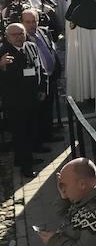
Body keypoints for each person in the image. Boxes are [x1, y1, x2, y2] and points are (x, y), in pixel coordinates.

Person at [0, 22, 47, 175]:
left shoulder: (31, 46)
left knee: (30, 130)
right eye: (14, 34)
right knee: (21, 134)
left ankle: (23, 159)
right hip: (15, 102)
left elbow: (40, 68)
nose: (19, 37)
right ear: (7, 37)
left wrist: (42, 89)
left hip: (33, 98)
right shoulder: (3, 52)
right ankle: (26, 168)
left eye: (21, 33)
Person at [21, 8, 62, 146]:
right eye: (28, 22)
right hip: (35, 81)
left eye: (34, 21)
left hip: (50, 76)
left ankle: (48, 134)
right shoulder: (22, 38)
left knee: (48, 108)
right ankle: (38, 141)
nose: (32, 25)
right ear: (22, 22)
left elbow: (51, 47)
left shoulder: (43, 31)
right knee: (37, 112)